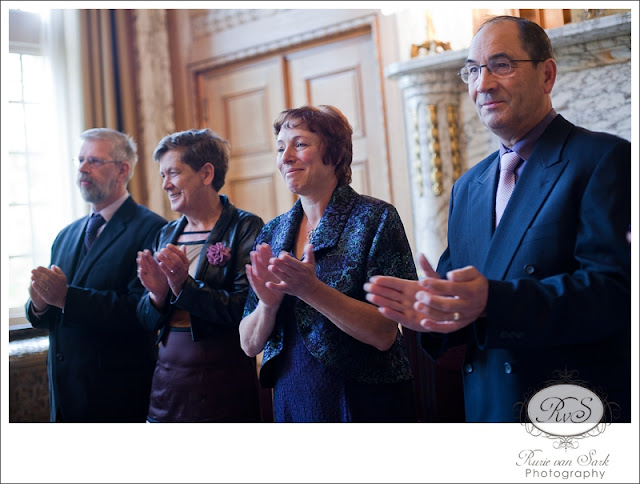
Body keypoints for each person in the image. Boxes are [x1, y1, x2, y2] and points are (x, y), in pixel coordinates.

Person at [364, 15, 631, 423]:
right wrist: (431, 315)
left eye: (501, 65)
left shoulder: (602, 160)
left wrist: (494, 300)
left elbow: (614, 294)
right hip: (488, 412)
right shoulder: (468, 187)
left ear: (547, 75)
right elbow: (458, 300)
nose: (483, 84)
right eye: (473, 70)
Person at [239, 105, 417, 422]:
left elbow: (384, 333)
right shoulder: (272, 232)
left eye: (299, 144)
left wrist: (310, 290)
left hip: (364, 401)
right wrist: (267, 305)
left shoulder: (376, 219)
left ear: (334, 154)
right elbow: (249, 344)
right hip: (293, 398)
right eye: (280, 148)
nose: (285, 157)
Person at [25, 128, 167, 422]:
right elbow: (52, 315)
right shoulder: (66, 234)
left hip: (116, 397)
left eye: (94, 161)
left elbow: (140, 312)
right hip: (64, 398)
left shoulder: (152, 228)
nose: (82, 169)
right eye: (80, 160)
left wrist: (67, 298)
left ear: (122, 170)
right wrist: (38, 304)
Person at [136, 128, 264, 423]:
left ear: (206, 173)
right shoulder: (166, 233)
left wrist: (184, 286)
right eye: (163, 175)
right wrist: (157, 295)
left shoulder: (245, 228)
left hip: (223, 381)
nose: (165, 184)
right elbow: (145, 320)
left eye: (174, 173)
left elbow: (245, 308)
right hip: (167, 382)